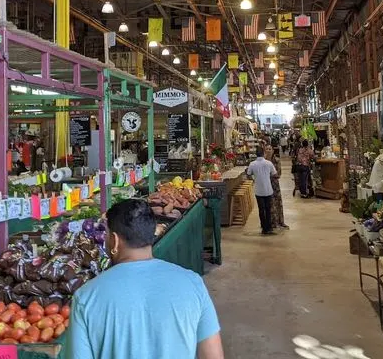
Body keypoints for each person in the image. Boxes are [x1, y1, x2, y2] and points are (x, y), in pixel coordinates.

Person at [68, 199, 223, 359]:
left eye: (106, 235)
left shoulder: (86, 297)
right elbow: (213, 355)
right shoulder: (193, 283)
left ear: (114, 240)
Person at [246, 145, 277, 235]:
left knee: (261, 209)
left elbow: (248, 174)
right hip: (268, 189)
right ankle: (269, 227)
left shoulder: (252, 164)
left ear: (256, 154)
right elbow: (274, 174)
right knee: (268, 209)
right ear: (263, 153)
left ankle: (264, 227)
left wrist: (253, 179)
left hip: (258, 190)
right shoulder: (268, 163)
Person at [265, 144, 288, 230]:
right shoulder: (262, 162)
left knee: (278, 202)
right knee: (269, 204)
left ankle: (280, 221)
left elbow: (278, 173)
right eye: (266, 149)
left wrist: (269, 175)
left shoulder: (276, 160)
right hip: (266, 185)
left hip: (274, 185)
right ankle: (271, 222)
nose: (268, 150)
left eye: (270, 149)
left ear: (273, 151)